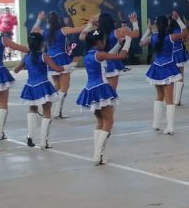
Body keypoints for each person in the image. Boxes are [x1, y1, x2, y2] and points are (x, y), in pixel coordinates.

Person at [77, 28, 131, 165]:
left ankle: (98, 154)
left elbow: (107, 55)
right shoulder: (99, 54)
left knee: (100, 122)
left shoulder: (89, 54)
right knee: (109, 122)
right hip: (101, 89)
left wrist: (119, 43)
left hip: (90, 90)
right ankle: (97, 155)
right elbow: (121, 56)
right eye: (105, 40)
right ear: (100, 42)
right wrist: (128, 40)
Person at [31, 10, 90, 119]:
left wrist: (39, 19)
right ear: (59, 20)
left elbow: (33, 31)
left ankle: (46, 106)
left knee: (57, 86)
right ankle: (56, 112)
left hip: (50, 58)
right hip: (61, 58)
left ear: (48, 21)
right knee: (64, 87)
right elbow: (80, 29)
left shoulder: (44, 32)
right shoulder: (63, 30)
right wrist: (91, 23)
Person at [13, 32, 64, 149]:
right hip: (43, 85)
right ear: (42, 44)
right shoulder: (44, 56)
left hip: (30, 86)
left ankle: (30, 136)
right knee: (47, 110)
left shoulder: (26, 57)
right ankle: (43, 142)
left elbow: (16, 70)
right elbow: (56, 68)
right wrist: (65, 67)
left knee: (32, 109)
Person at [143, 14, 188, 133]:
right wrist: (178, 19)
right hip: (168, 67)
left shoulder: (153, 37)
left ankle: (156, 124)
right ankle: (170, 127)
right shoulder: (171, 37)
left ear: (156, 25)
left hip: (157, 68)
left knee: (159, 97)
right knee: (169, 99)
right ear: (167, 25)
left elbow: (141, 43)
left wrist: (148, 29)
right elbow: (185, 33)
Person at [99, 12, 139, 94]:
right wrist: (134, 22)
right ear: (111, 21)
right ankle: (110, 106)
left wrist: (90, 25)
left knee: (102, 92)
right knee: (111, 92)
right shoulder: (118, 32)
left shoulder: (96, 33)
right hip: (112, 62)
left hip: (98, 61)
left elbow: (81, 37)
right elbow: (135, 34)